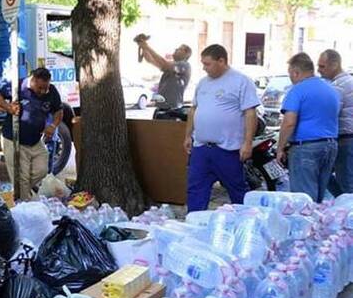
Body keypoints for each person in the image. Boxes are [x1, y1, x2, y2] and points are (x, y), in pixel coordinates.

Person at [184, 44, 260, 212]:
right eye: (203, 64)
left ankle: (244, 223)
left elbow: (250, 113)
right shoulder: (203, 83)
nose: (204, 68)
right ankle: (195, 222)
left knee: (236, 189)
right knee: (195, 188)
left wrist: (247, 143)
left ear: (222, 61)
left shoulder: (241, 81)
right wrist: (188, 135)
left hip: (227, 148)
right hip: (201, 147)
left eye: (207, 64)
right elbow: (193, 109)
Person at [276, 53, 341, 203]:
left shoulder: (297, 90)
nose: (291, 79)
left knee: (304, 199)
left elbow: (289, 122)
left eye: (290, 74)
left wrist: (280, 148)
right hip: (330, 145)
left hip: (306, 148)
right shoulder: (330, 89)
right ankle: (318, 224)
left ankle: (305, 226)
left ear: (295, 72)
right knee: (319, 195)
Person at [0, 67, 63, 201]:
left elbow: (59, 111)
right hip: (14, 140)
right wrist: (9, 107)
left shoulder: (52, 91)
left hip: (36, 140)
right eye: (40, 88)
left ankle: (21, 192)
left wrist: (53, 125)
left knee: (42, 170)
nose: (43, 92)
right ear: (32, 80)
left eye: (46, 88)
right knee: (22, 177)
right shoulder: (18, 86)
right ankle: (24, 205)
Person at [318, 49, 353, 195]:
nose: (319, 71)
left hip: (345, 138)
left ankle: (348, 212)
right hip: (347, 137)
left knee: (345, 182)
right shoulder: (348, 81)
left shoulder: (338, 86)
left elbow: (330, 113)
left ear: (335, 65)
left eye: (322, 66)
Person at [134, 35, 192, 109]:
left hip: (172, 109)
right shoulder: (171, 66)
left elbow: (164, 63)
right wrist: (143, 46)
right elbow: (150, 60)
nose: (176, 49)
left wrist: (146, 46)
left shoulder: (185, 65)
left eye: (179, 49)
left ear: (186, 54)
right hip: (161, 106)